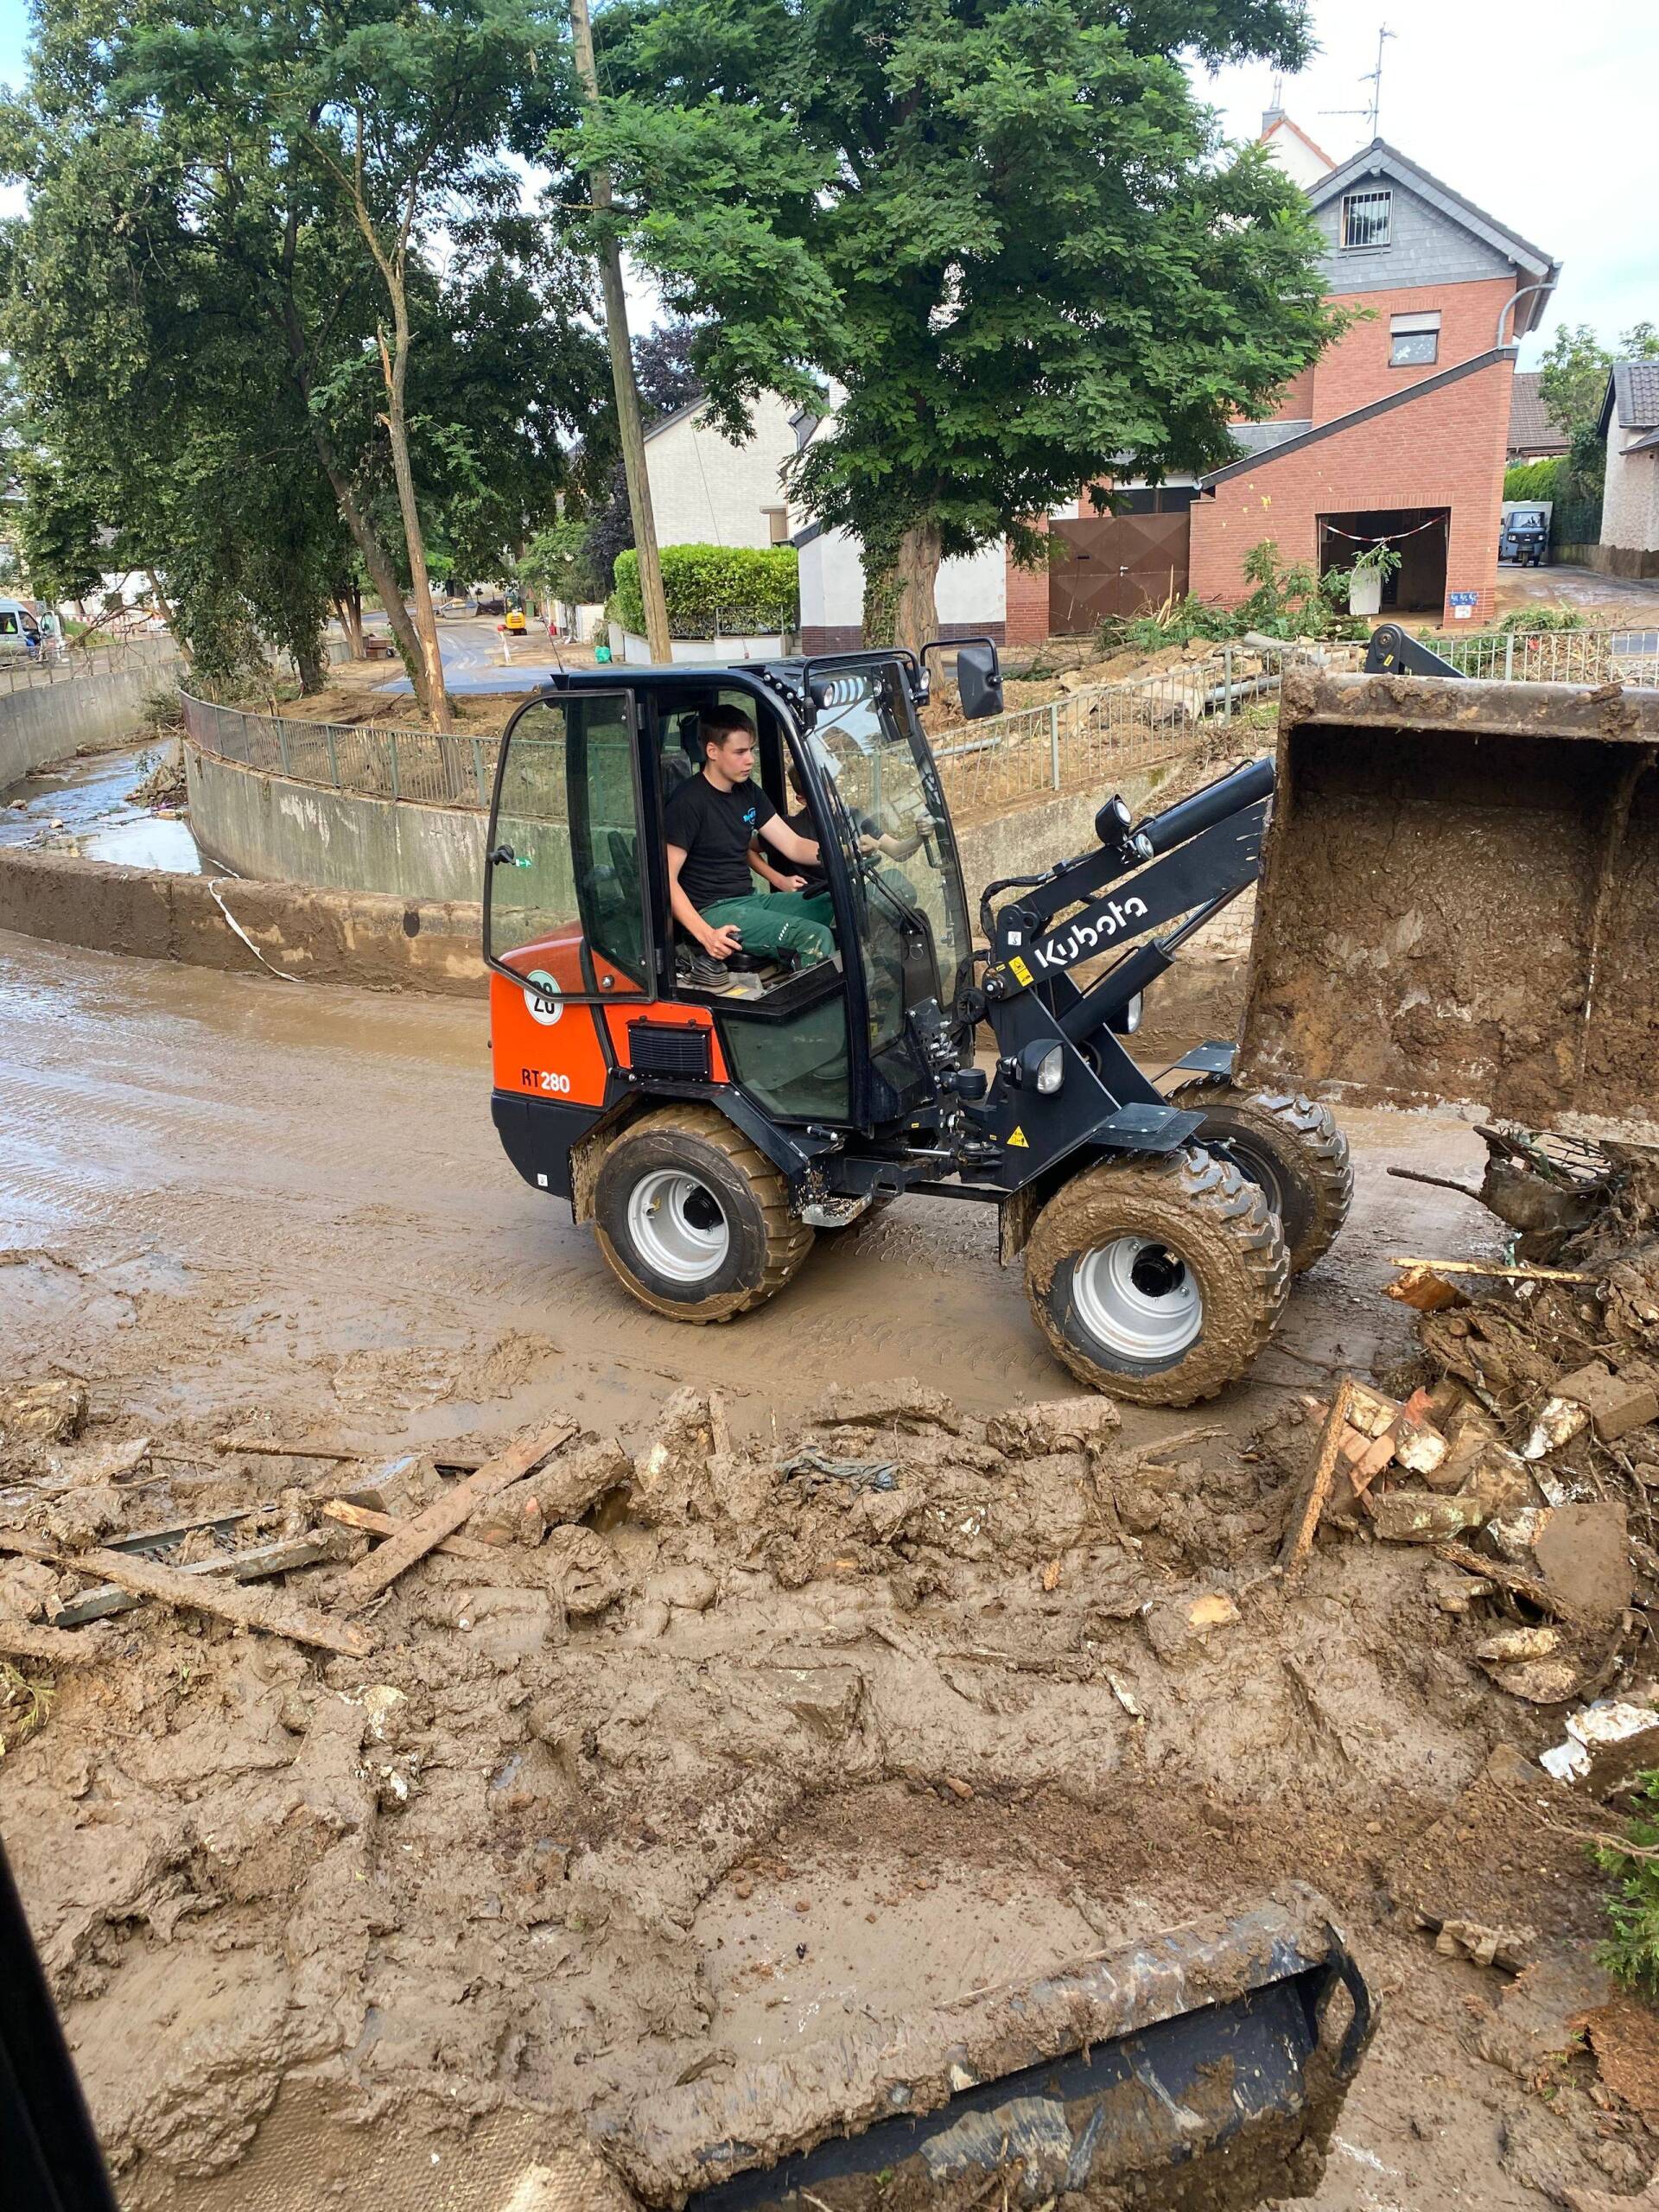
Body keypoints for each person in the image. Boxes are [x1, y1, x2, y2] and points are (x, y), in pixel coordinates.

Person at [664, 707, 833, 985]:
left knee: (841, 902)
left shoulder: (748, 791)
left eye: (751, 750)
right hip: (714, 910)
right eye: (740, 752)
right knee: (814, 936)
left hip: (751, 901)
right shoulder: (689, 802)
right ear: (712, 751)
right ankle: (817, 1026)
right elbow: (665, 880)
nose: (750, 760)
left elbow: (791, 844)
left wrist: (842, 852)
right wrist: (707, 934)